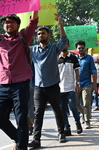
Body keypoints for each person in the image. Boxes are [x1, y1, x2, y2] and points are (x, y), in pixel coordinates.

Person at [28, 14, 67, 148]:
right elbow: (22, 43)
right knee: (38, 113)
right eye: (38, 34)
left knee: (57, 110)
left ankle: (61, 133)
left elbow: (63, 41)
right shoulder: (32, 50)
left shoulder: (54, 48)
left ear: (48, 35)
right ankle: (36, 140)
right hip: (38, 87)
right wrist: (29, 25)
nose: (40, 35)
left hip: (53, 85)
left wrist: (60, 24)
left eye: (43, 33)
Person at [0, 12, 38, 150]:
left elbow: (33, 22)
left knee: (21, 118)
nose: (9, 24)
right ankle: (17, 137)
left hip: (21, 84)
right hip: (3, 84)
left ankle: (22, 147)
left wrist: (34, 6)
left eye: (12, 22)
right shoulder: (0, 40)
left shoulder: (23, 37)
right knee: (1, 118)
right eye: (6, 22)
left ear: (17, 25)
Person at [58, 41, 83, 136]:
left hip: (71, 88)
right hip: (60, 88)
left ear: (68, 45)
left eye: (65, 44)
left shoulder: (73, 58)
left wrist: (77, 83)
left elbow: (77, 72)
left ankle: (77, 123)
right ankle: (66, 127)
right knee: (62, 110)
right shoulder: (56, 58)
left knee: (73, 107)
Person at [75, 40, 97, 129]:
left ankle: (87, 121)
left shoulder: (89, 58)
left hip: (87, 83)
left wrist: (95, 85)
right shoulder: (74, 58)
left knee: (86, 102)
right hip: (76, 84)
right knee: (76, 103)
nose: (81, 49)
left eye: (82, 48)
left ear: (85, 49)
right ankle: (84, 114)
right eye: (79, 48)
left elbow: (94, 72)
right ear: (76, 49)